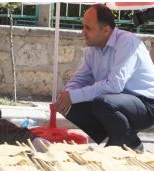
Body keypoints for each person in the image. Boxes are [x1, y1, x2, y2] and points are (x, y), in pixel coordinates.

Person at [55, 4, 154, 153]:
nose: (83, 32)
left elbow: (114, 85)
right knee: (69, 105)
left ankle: (132, 144)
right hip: (120, 103)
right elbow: (80, 78)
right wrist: (66, 95)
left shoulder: (127, 42)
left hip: (147, 105)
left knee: (104, 102)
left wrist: (74, 96)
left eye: (88, 28)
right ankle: (115, 138)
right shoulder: (92, 48)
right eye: (83, 27)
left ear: (106, 30)